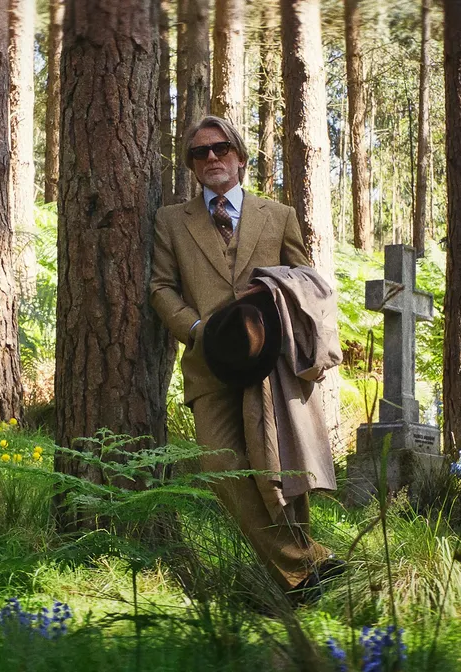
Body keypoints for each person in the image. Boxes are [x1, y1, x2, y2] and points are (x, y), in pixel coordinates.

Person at [150, 115, 343, 602]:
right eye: (200, 153)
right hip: (208, 363)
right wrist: (196, 331)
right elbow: (160, 287)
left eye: (219, 149)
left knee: (280, 468)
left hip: (271, 363)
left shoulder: (277, 215)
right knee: (220, 467)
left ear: (239, 156)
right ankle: (310, 563)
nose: (211, 158)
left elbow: (308, 281)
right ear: (192, 165)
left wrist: (273, 294)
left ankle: (301, 585)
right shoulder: (172, 220)